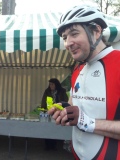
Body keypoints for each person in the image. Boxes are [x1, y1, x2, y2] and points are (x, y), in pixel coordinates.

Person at [48, 4, 120, 160]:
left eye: (74, 34)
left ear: (96, 31)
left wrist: (87, 122)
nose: (67, 43)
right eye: (65, 38)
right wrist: (64, 110)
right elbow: (74, 105)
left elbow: (83, 120)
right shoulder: (78, 68)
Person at [41, 78, 68, 150]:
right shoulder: (47, 91)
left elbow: (66, 102)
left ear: (56, 85)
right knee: (47, 129)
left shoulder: (62, 91)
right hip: (49, 113)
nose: (51, 86)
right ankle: (47, 145)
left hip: (59, 113)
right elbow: (43, 101)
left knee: (56, 129)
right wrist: (45, 109)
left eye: (52, 84)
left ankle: (55, 144)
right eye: (50, 84)